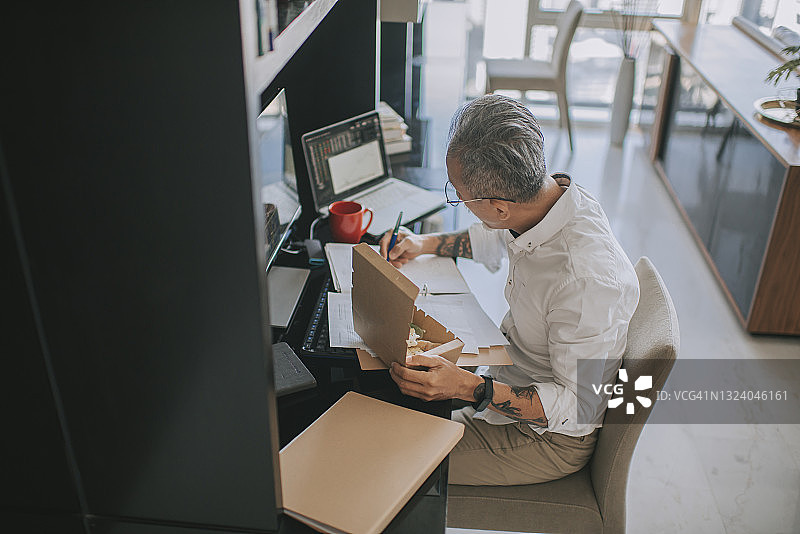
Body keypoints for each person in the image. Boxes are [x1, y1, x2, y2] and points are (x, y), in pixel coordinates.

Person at [379, 94, 639, 486]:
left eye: (459, 195)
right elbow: (494, 238)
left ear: (500, 207)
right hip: (507, 374)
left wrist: (471, 387)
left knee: (388, 461)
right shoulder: (549, 200)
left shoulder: (584, 281)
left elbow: (579, 406)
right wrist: (424, 244)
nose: (460, 203)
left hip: (546, 437)